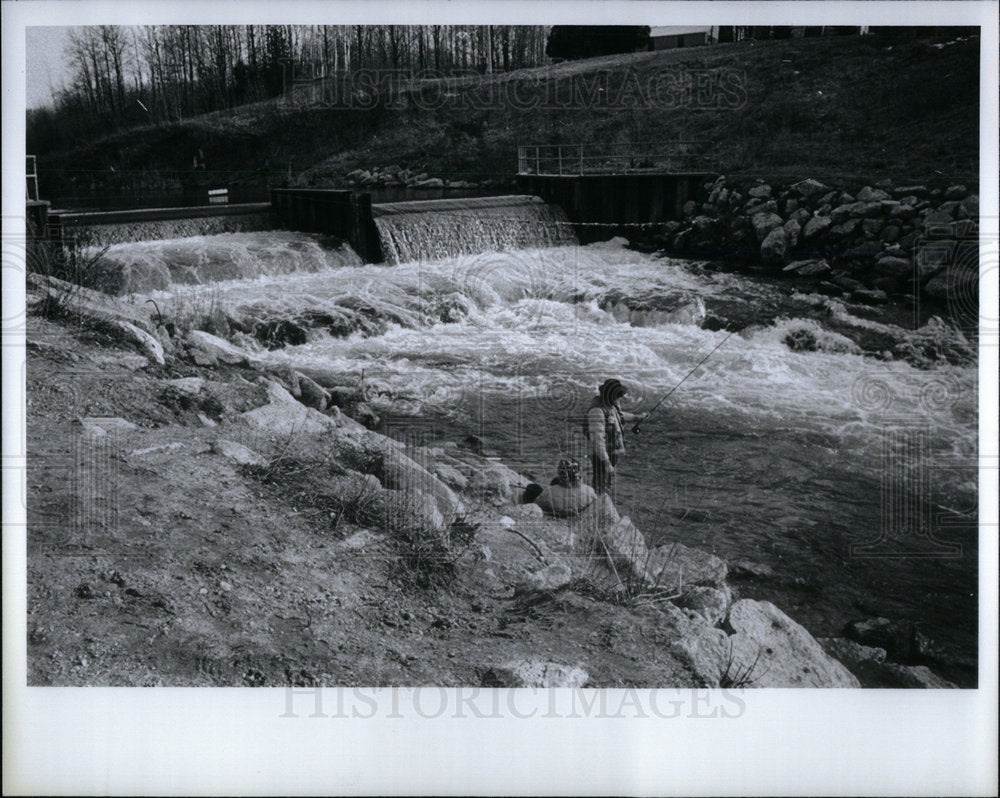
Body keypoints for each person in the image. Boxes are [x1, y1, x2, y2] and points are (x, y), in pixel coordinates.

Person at [586, 378, 644, 496]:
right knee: (600, 485)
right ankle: (599, 506)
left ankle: (603, 504)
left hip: (611, 452)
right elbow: (597, 441)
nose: (620, 398)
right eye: (618, 395)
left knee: (607, 484)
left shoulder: (610, 404)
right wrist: (607, 463)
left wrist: (636, 417)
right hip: (601, 455)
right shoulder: (597, 411)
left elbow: (619, 417)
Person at [533, 458, 597, 517]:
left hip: (557, 520)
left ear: (560, 473)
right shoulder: (589, 491)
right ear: (579, 472)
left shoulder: (549, 492)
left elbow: (535, 507)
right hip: (577, 518)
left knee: (533, 488)